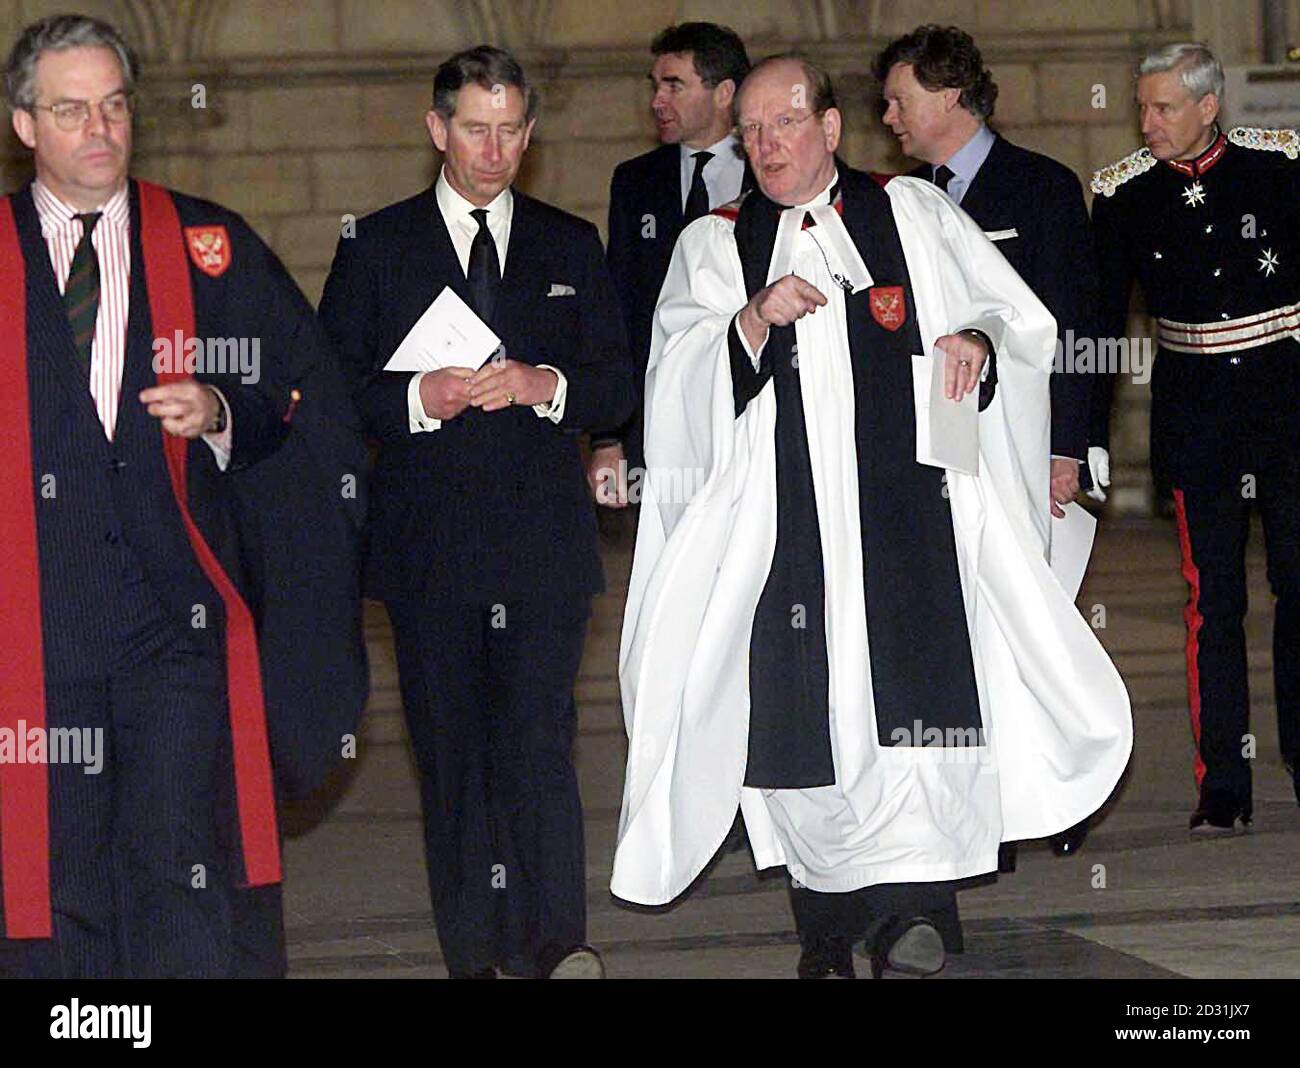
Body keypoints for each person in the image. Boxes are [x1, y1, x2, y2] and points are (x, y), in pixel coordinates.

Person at [611, 54, 1131, 979]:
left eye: (787, 123)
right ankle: (826, 924)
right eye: (754, 131)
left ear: (830, 128)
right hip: (782, 530)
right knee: (803, 717)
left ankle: (917, 914)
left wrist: (975, 338)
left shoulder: (913, 214)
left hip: (908, 519)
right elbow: (673, 377)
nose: (769, 145)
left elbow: (1019, 320)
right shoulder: (715, 244)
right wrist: (752, 323)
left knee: (917, 708)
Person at [0, 13, 367, 978]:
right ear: (25, 125)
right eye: (71, 109)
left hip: (178, 625)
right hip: (37, 636)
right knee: (58, 873)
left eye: (114, 105)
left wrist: (219, 410)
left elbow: (305, 395)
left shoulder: (207, 242)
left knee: (182, 866)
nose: (100, 129)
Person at [319, 45, 633, 979]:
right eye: (473, 129)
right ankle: (478, 955)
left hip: (542, 546)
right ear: (437, 129)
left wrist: (548, 384)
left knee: (539, 742)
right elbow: (335, 394)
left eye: (509, 132)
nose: (491, 151)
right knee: (454, 757)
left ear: (529, 136)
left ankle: (556, 943)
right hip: (429, 552)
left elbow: (616, 386)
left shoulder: (570, 243)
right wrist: (424, 396)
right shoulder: (374, 246)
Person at [874, 24, 1100, 862]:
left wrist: (1067, 450)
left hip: (1022, 448)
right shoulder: (898, 199)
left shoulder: (1040, 188)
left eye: (899, 98)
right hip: (940, 457)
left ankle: (1062, 792)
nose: (888, 115)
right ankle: (984, 805)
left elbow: (1075, 325)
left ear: (947, 95)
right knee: (959, 625)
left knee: (1034, 623)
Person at [1091, 42, 1300, 832]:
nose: (1146, 122)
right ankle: (1224, 784)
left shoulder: (1280, 169)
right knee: (1212, 606)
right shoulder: (1122, 195)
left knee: (1299, 588)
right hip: (1197, 420)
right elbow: (1102, 324)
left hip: (1286, 411)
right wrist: (1085, 432)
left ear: (1209, 106)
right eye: (1142, 107)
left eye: (1163, 108)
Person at [587, 22, 752, 507]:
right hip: (658, 428)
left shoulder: (772, 173)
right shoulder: (636, 181)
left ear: (724, 93)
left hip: (750, 417)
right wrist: (607, 437)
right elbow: (616, 311)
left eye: (674, 85)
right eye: (655, 86)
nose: (658, 101)